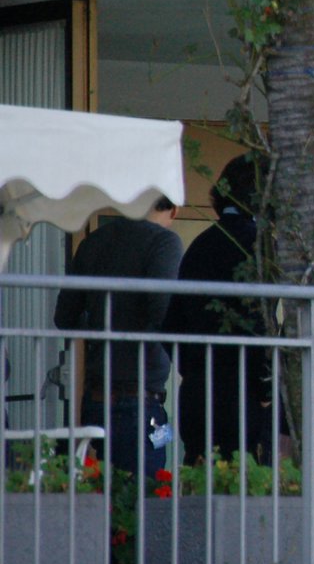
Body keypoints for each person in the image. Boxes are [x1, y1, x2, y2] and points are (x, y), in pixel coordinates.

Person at [53, 196, 182, 478]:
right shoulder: (164, 242)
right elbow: (164, 311)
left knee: (100, 497)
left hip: (96, 396)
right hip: (141, 395)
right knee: (141, 498)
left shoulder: (93, 242)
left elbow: (64, 317)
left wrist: (100, 328)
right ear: (173, 209)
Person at [164, 154, 277, 464]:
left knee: (200, 487)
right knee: (247, 493)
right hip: (244, 394)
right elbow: (260, 322)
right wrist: (267, 388)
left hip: (198, 391)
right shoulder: (259, 244)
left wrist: (193, 366)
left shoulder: (200, 244)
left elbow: (169, 323)